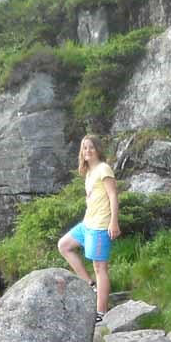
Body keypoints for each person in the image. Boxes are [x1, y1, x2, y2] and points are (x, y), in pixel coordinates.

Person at [58, 135, 121, 322]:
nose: (87, 151)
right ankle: (90, 284)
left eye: (91, 147)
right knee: (64, 246)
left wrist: (114, 222)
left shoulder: (104, 169)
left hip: (101, 225)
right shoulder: (89, 172)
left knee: (100, 267)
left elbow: (113, 195)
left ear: (98, 150)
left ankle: (100, 313)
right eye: (84, 148)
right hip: (87, 224)